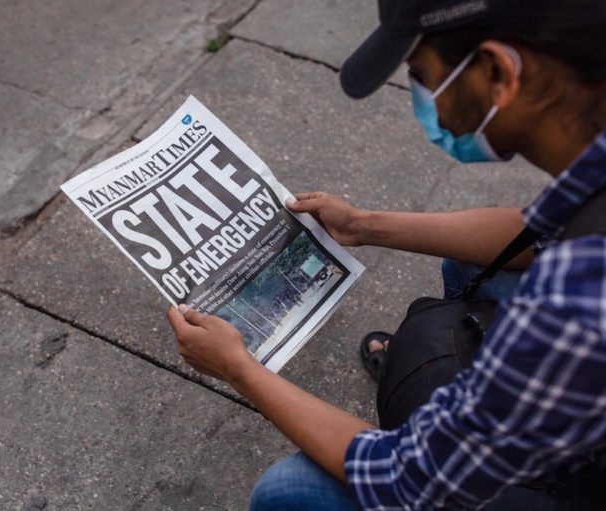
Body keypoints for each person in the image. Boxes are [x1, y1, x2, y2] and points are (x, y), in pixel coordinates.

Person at [167, 0, 606, 508]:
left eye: (421, 76)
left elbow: (406, 478)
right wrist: (363, 225)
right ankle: (472, 397)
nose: (422, 99)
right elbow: (539, 231)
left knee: (292, 491)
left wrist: (241, 369)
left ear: (497, 72)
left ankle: (472, 416)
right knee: (476, 260)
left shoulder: (583, 296)